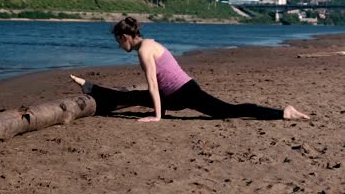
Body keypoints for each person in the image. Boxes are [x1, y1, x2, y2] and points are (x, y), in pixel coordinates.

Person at [70, 17, 310, 122]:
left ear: (125, 37)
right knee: (133, 96)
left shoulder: (144, 51)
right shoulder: (149, 42)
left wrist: (157, 116)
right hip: (175, 93)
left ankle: (282, 112)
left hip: (183, 93)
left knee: (227, 111)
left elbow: (153, 84)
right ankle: (93, 89)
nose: (118, 45)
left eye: (117, 41)